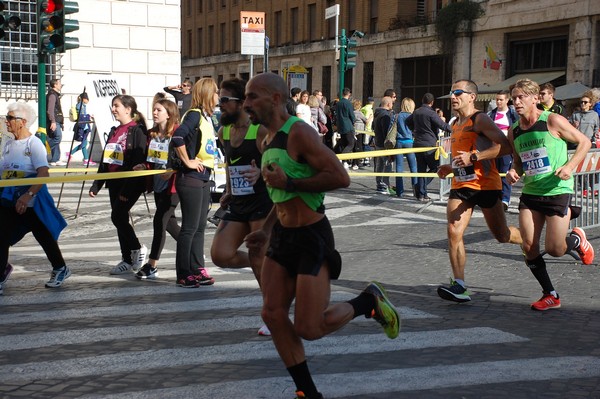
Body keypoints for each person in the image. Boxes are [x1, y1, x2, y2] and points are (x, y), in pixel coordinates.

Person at [243, 73, 400, 399]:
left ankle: (366, 302)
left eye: (252, 97)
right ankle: (307, 391)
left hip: (312, 237)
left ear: (274, 99)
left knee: (308, 328)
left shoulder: (299, 133)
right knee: (271, 314)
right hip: (282, 236)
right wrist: (267, 229)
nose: (246, 104)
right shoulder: (264, 137)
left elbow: (339, 177)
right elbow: (280, 189)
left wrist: (292, 184)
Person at [506, 78, 594, 311]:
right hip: (531, 193)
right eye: (514, 98)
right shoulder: (514, 131)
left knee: (555, 249)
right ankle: (550, 294)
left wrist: (570, 166)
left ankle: (576, 239)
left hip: (556, 191)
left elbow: (584, 142)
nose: (516, 102)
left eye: (521, 97)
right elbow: (518, 160)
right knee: (528, 246)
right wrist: (513, 171)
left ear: (535, 98)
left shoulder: (552, 120)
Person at [435, 80, 522, 303]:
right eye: (451, 93)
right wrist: (450, 167)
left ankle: (530, 240)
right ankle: (460, 285)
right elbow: (462, 158)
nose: (453, 97)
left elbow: (505, 146)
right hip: (462, 185)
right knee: (454, 230)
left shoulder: (480, 119)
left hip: (486, 185)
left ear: (472, 96)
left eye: (457, 93)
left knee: (502, 235)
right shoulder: (455, 123)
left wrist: (474, 157)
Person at [209, 77, 272, 335]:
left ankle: (272, 314)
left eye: (224, 100)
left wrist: (262, 173)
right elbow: (230, 163)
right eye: (218, 100)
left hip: (262, 201)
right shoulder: (224, 131)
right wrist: (229, 190)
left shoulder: (258, 131)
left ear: (241, 103)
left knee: (259, 256)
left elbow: (276, 161)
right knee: (220, 254)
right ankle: (271, 263)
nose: (219, 105)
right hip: (238, 201)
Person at [0, 102, 71, 295]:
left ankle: (60, 268)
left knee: (44, 236)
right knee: (2, 235)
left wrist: (28, 195)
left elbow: (43, 172)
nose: (6, 121)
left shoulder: (34, 144)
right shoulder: (7, 144)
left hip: (31, 202)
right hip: (8, 201)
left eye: (10, 118)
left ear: (22, 122)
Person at [89, 95, 149, 275]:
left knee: (117, 216)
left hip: (128, 183)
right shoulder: (114, 130)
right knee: (119, 218)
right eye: (113, 106)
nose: (113, 109)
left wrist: (128, 188)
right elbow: (106, 160)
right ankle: (127, 259)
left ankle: (137, 249)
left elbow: (139, 161)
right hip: (114, 182)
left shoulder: (137, 131)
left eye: (117, 106)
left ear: (128, 109)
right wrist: (97, 185)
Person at [170, 77, 218, 288]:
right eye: (216, 92)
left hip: (204, 177)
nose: (218, 97)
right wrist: (187, 161)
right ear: (208, 94)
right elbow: (177, 138)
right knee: (189, 228)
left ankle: (197, 268)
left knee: (199, 227)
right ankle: (183, 273)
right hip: (191, 178)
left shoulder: (206, 118)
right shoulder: (194, 116)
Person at [133, 98, 181, 280]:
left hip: (174, 185)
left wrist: (173, 171)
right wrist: (143, 167)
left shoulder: (177, 132)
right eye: (154, 110)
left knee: (159, 221)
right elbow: (151, 159)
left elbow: (183, 157)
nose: (154, 113)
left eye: (158, 110)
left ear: (168, 114)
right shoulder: (151, 134)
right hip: (158, 184)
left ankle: (152, 265)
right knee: (170, 224)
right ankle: (192, 250)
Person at [406, 93, 452, 201]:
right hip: (429, 144)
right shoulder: (431, 113)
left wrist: (414, 130)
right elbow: (443, 126)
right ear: (431, 103)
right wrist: (457, 130)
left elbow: (407, 121)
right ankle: (419, 188)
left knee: (421, 169)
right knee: (435, 167)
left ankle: (422, 194)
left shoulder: (416, 111)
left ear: (422, 101)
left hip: (417, 144)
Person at [488, 90, 518, 210]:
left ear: (506, 100)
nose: (498, 102)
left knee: (505, 172)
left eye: (501, 99)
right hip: (493, 148)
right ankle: (495, 197)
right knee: (493, 173)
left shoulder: (512, 114)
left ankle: (505, 199)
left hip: (507, 148)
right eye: (497, 99)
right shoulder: (491, 114)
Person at [395, 97, 418, 198]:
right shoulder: (412, 116)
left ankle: (400, 191)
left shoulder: (397, 116)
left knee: (399, 167)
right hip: (409, 141)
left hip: (399, 141)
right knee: (413, 166)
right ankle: (415, 190)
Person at [373, 96, 395, 195]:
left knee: (380, 164)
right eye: (392, 103)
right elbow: (387, 131)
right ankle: (384, 185)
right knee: (387, 164)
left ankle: (380, 184)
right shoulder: (385, 115)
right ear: (388, 104)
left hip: (378, 142)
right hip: (383, 144)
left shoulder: (377, 114)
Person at [69, 92, 96, 166]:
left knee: (84, 143)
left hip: (84, 127)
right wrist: (88, 116)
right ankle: (72, 154)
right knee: (84, 143)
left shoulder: (82, 105)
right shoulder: (81, 105)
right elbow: (82, 116)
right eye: (87, 99)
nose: (88, 101)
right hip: (83, 126)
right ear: (84, 99)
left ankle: (85, 159)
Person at [46, 78, 66, 166]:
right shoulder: (52, 95)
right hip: (54, 121)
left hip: (56, 120)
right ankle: (43, 149)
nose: (61, 85)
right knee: (58, 137)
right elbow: (50, 110)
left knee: (55, 139)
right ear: (55, 85)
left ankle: (55, 159)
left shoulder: (55, 95)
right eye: (59, 83)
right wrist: (53, 121)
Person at [335, 88, 356, 168]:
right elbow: (351, 115)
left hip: (341, 126)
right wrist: (353, 122)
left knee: (343, 142)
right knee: (351, 143)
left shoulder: (338, 103)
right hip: (348, 126)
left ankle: (335, 155)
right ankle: (343, 159)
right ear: (349, 94)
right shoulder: (348, 103)